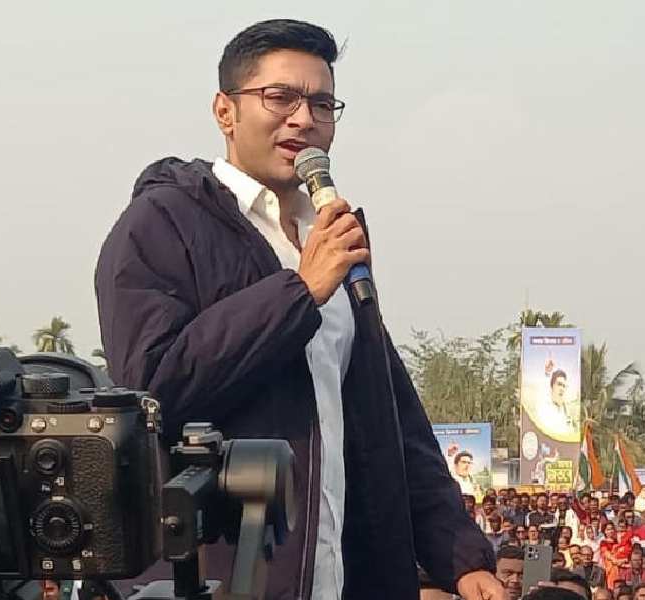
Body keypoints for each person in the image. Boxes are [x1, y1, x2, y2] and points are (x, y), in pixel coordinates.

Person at [94, 18, 500, 600]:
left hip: (345, 578)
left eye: (322, 103)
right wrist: (299, 291)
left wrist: (459, 556)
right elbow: (156, 386)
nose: (304, 119)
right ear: (225, 111)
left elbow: (392, 421)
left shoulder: (331, 237)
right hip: (221, 576)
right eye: (279, 97)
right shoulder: (162, 223)